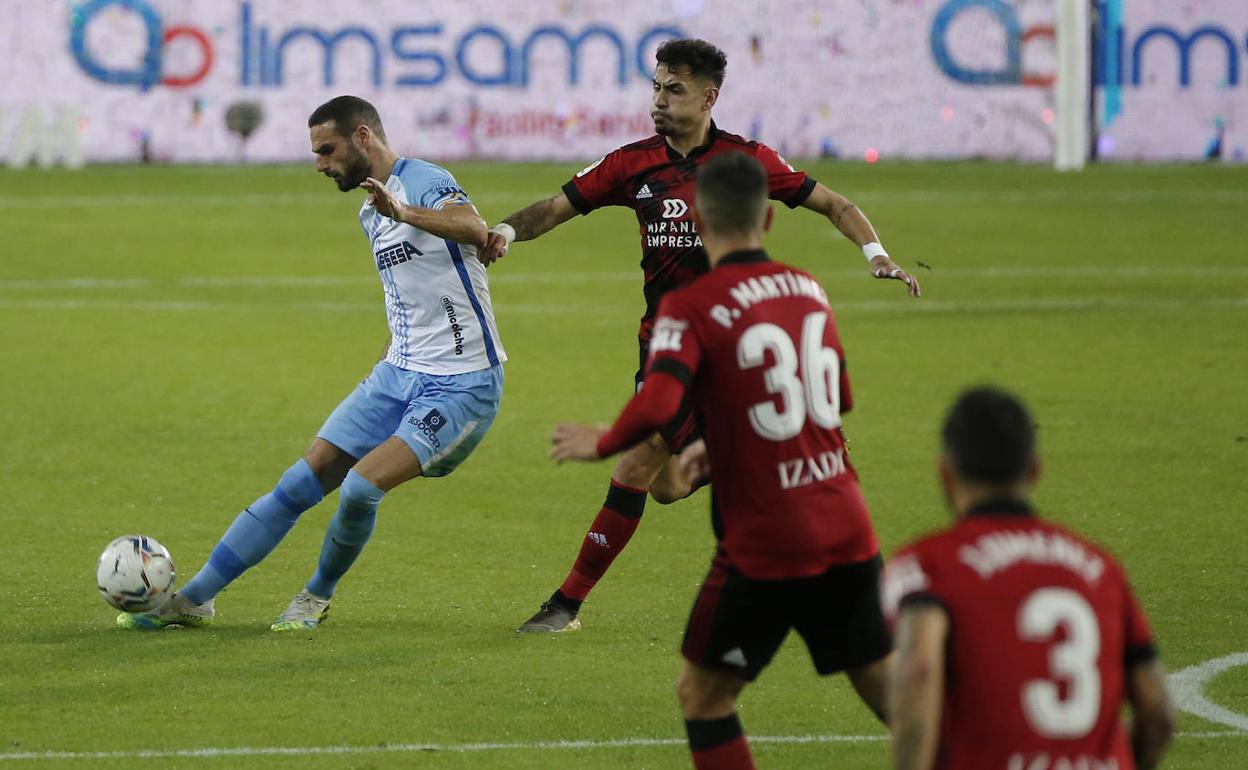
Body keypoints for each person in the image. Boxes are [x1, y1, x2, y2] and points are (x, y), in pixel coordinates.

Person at [482, 38, 921, 634]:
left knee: (638, 463)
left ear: (710, 96)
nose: (659, 101)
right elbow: (555, 208)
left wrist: (877, 254)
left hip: (733, 346)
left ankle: (566, 605)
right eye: (656, 87)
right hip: (665, 345)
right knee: (668, 487)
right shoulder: (630, 163)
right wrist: (506, 231)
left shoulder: (746, 162)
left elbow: (835, 204)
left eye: (674, 89)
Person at [551, 152, 892, 770]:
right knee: (885, 691)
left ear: (700, 224)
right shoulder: (808, 288)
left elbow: (658, 401)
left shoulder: (693, 303)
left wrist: (600, 442)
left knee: (704, 696)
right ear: (768, 218)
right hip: (847, 522)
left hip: (768, 540)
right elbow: (835, 399)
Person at [117, 95, 507, 631]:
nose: (320, 164)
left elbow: (474, 227)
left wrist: (407, 212)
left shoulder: (421, 180)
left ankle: (314, 599)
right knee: (298, 483)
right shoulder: (370, 212)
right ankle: (194, 600)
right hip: (398, 372)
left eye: (327, 150)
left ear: (363, 137)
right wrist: (386, 367)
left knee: (361, 487)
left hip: (462, 384)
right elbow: (408, 300)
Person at [881, 387, 1175, 770]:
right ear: (1034, 470)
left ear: (946, 473)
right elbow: (1157, 710)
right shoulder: (1100, 570)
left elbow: (919, 668)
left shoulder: (927, 566)